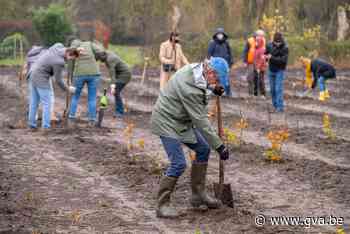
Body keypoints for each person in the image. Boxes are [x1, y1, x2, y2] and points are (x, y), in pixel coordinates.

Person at [151, 57, 230, 218]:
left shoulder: (197, 70)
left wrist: (211, 88)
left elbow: (202, 86)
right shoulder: (189, 86)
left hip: (181, 120)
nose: (218, 81)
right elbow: (200, 119)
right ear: (210, 71)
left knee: (202, 149)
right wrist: (219, 146)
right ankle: (162, 205)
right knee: (178, 164)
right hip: (167, 121)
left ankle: (197, 195)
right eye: (218, 78)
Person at [28, 43, 78, 129]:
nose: (70, 60)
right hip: (41, 78)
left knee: (34, 102)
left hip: (32, 73)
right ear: (68, 54)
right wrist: (68, 89)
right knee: (47, 103)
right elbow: (58, 80)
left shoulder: (57, 47)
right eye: (71, 58)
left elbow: (59, 44)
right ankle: (46, 127)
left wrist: (76, 50)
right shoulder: (59, 62)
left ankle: (32, 124)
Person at [68, 39, 105, 125]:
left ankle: (71, 118)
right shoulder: (90, 44)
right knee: (92, 98)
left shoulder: (73, 49)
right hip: (94, 74)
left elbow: (70, 65)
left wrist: (70, 79)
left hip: (79, 75)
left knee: (75, 97)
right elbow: (101, 52)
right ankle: (92, 120)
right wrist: (95, 58)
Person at [96, 51, 132, 117]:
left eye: (100, 60)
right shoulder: (107, 55)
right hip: (120, 74)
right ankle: (118, 110)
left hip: (124, 75)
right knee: (116, 92)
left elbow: (112, 74)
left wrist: (113, 86)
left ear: (103, 57)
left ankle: (120, 112)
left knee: (116, 92)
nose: (101, 61)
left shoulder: (110, 60)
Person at [265, 32, 289, 113]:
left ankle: (280, 108)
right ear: (273, 41)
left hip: (280, 70)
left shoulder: (285, 48)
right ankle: (275, 105)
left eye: (279, 42)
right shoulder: (269, 45)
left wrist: (271, 58)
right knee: (272, 90)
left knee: (278, 89)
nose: (278, 44)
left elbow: (283, 61)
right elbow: (265, 54)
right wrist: (265, 58)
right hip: (271, 70)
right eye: (276, 42)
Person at [208, 28, 233, 96]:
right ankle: (217, 92)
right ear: (216, 35)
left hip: (225, 64)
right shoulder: (212, 43)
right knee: (215, 78)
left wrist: (231, 62)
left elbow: (230, 53)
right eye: (218, 34)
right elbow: (209, 54)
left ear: (223, 35)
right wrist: (209, 63)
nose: (220, 36)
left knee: (225, 78)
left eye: (221, 34)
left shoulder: (226, 43)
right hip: (215, 64)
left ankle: (228, 93)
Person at [242, 30, 266, 96]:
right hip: (251, 62)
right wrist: (244, 61)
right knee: (250, 77)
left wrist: (266, 61)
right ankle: (251, 93)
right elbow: (245, 51)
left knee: (260, 79)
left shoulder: (264, 42)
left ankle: (262, 93)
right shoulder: (250, 41)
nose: (259, 37)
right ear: (255, 35)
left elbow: (266, 52)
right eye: (258, 35)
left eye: (261, 36)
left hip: (260, 63)